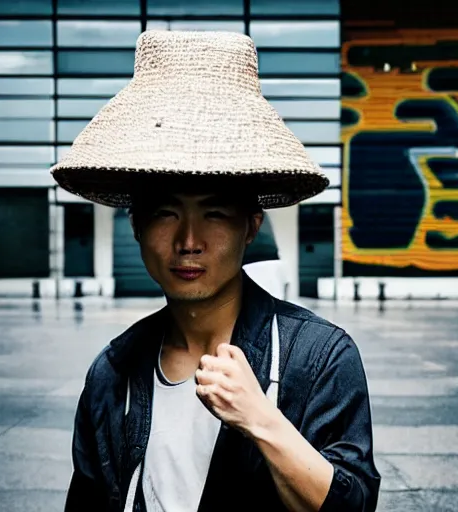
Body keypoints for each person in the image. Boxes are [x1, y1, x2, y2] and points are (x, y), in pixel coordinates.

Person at [51, 30, 381, 512]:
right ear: (137, 225)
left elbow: (353, 504)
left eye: (214, 214)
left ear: (251, 226)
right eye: (166, 213)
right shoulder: (114, 371)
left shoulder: (318, 358)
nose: (188, 241)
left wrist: (259, 417)